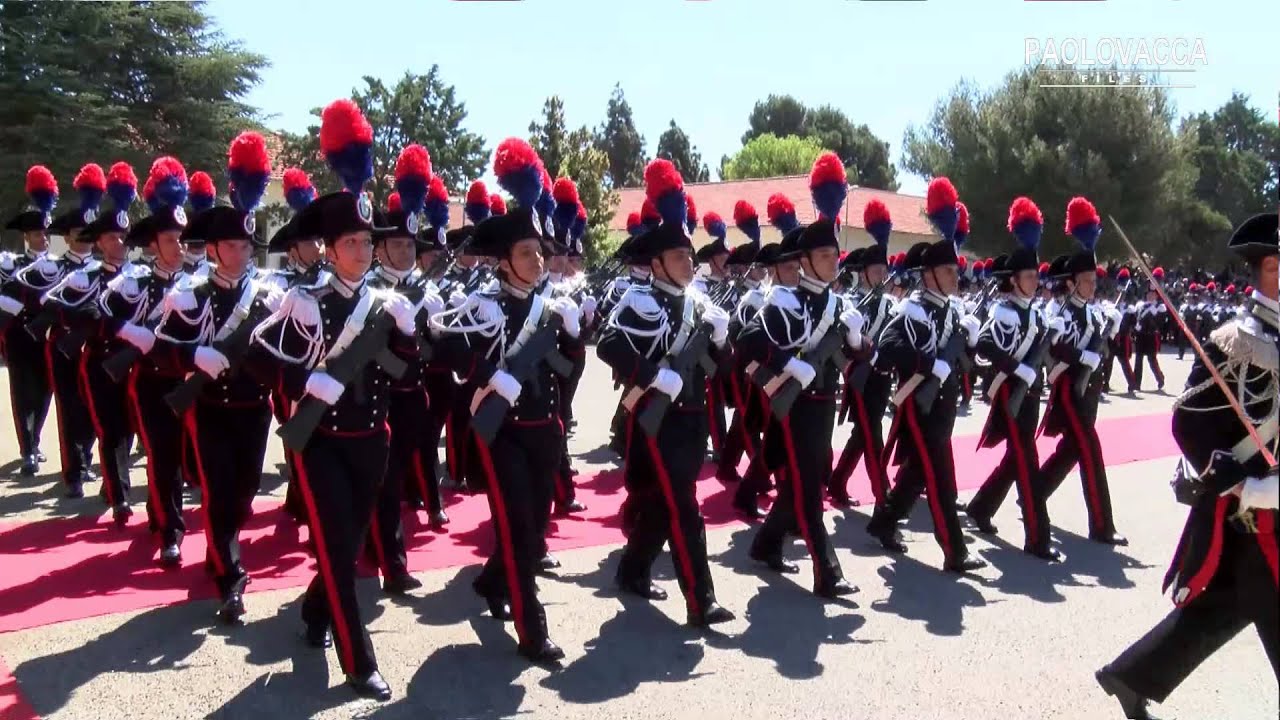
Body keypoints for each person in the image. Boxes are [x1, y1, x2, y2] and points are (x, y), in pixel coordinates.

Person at [1096, 212, 1279, 720]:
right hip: (1258, 516)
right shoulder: (1234, 341)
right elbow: (1189, 424)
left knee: (1225, 606)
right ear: (1268, 267)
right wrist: (1240, 481)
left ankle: (1132, 675)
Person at [430, 138, 580, 663]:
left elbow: (569, 363)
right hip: (501, 432)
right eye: (526, 252)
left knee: (535, 526)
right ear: (504, 261)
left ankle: (492, 583)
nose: (537, 260)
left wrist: (578, 330)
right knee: (517, 524)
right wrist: (488, 373)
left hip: (545, 428)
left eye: (540, 252)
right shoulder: (482, 304)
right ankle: (532, 629)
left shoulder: (552, 304)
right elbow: (442, 343)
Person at [596, 158, 738, 622]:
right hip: (660, 417)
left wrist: (720, 339)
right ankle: (702, 599)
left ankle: (633, 570)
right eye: (679, 257)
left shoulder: (698, 304)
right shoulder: (642, 300)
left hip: (695, 416)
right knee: (684, 505)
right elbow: (610, 346)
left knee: (662, 501)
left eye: (689, 256)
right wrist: (655, 375)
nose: (689, 263)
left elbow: (719, 367)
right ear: (656, 263)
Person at [150, 138, 278, 623]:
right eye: (232, 246)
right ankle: (232, 580)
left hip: (254, 408)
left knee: (244, 493)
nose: (242, 253)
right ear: (213, 249)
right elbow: (161, 353)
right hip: (210, 411)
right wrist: (192, 354)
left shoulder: (269, 296)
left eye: (247, 245)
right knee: (219, 492)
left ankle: (220, 552)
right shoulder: (192, 294)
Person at [738, 153, 864, 595]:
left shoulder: (834, 304)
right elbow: (749, 342)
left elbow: (853, 358)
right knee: (809, 488)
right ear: (805, 260)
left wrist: (853, 339)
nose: (833, 262)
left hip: (824, 403)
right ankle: (828, 572)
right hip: (794, 406)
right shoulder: (784, 301)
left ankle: (766, 543)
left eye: (834, 254)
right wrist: (789, 363)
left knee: (802, 481)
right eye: (824, 255)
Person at [866, 177, 986, 574]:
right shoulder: (912, 310)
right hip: (919, 403)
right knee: (939, 477)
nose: (956, 277)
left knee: (918, 472)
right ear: (929, 275)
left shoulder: (951, 310)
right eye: (949, 271)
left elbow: (964, 358)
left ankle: (884, 520)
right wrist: (926, 363)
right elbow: (886, 351)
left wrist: (970, 342)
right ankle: (955, 550)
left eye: (955, 270)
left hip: (945, 402)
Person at [95, 164, 191, 564]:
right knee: (162, 456)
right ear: (154, 243)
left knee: (186, 458)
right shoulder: (134, 283)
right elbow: (100, 313)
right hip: (152, 383)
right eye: (171, 239)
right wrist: (134, 334)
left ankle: (163, 513)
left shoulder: (198, 282)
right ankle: (170, 529)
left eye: (183, 239)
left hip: (191, 382)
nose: (180, 246)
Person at [42, 163, 147, 524]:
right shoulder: (86, 276)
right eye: (113, 238)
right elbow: (52, 304)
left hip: (134, 363)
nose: (120, 243)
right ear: (100, 242)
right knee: (111, 429)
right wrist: (91, 317)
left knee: (132, 428)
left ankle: (114, 483)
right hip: (101, 362)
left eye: (124, 237)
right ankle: (119, 496)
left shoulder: (140, 277)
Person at [363, 146, 443, 595]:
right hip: (380, 398)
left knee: (407, 473)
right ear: (379, 249)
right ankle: (393, 563)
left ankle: (384, 545)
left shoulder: (423, 289)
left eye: (411, 245)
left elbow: (434, 351)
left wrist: (428, 326)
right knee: (386, 482)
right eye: (396, 244)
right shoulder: (371, 289)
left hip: (416, 396)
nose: (406, 252)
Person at [965, 197, 1058, 561]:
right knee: (1026, 462)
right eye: (1030, 277)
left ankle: (979, 508)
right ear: (1014, 281)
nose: (1036, 282)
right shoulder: (1004, 311)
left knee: (1014, 459)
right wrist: (1017, 367)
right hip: (1010, 391)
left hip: (1030, 393)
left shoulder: (1032, 313)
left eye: (1036, 277)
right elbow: (985, 345)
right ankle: (1038, 537)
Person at [1039, 197, 1128, 546]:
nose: (1093, 286)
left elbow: (1103, 346)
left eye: (1094, 280)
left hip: (1089, 393)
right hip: (1069, 391)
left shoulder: (1094, 312)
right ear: (1072, 282)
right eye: (1087, 281)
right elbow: (1052, 348)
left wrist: (1113, 329)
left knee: (1070, 451)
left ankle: (1033, 490)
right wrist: (1080, 357)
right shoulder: (1057, 311)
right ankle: (1102, 525)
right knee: (1090, 451)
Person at [34, 165, 104, 496]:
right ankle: (72, 473)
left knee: (93, 407)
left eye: (89, 232)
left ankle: (87, 458)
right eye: (79, 233)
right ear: (68, 237)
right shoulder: (56, 268)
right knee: (69, 408)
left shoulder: (105, 271)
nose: (84, 238)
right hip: (63, 345)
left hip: (95, 347)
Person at [830, 199, 897, 507]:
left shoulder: (891, 304)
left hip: (883, 377)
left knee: (864, 435)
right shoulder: (852, 302)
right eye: (876, 270)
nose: (881, 275)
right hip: (862, 375)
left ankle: (837, 481)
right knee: (872, 436)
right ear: (864, 273)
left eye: (884, 270)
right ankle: (884, 496)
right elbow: (843, 342)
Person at [0, 166, 61, 476]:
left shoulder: (56, 267)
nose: (44, 239)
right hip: (19, 337)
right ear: (26, 236)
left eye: (46, 234)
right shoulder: (10, 264)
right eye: (38, 234)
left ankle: (35, 440)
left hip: (47, 337)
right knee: (23, 392)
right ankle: (27, 450)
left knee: (45, 390)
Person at [1133, 276, 1167, 391]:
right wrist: (1136, 327)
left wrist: (1153, 318)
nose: (1150, 296)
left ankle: (1160, 379)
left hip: (1151, 336)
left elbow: (1160, 323)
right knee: (1138, 360)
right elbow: (1135, 319)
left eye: (1153, 294)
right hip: (1140, 335)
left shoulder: (1160, 307)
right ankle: (1136, 383)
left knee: (1152, 360)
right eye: (1148, 293)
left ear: (1157, 295)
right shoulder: (1140, 305)